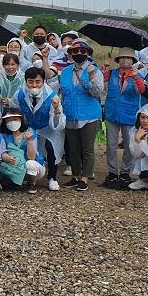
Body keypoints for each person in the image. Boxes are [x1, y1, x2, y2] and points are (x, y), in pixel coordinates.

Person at [59, 39, 103, 192]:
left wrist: (90, 78)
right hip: (70, 114)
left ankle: (85, 178)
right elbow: (62, 92)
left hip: (89, 115)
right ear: (70, 54)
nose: (78, 54)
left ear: (88, 53)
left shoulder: (94, 70)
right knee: (73, 148)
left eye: (82, 51)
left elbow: (97, 92)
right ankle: (76, 176)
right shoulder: (65, 72)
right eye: (75, 51)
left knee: (87, 148)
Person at [11, 67, 65, 191]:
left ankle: (52, 177)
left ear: (43, 81)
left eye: (37, 81)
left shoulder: (51, 95)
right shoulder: (20, 94)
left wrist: (56, 109)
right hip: (29, 127)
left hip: (47, 127)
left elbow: (58, 121)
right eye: (30, 81)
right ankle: (26, 176)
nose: (34, 85)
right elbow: (15, 109)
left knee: (51, 148)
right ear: (25, 81)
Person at [102, 47, 146, 187]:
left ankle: (126, 172)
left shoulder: (137, 75)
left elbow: (141, 90)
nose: (125, 60)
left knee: (129, 145)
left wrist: (136, 78)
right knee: (111, 145)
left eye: (128, 58)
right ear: (118, 60)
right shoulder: (112, 73)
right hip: (112, 113)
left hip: (129, 114)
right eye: (122, 58)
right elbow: (99, 79)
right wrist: (105, 66)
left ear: (132, 60)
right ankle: (112, 172)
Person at [0, 109, 44, 193]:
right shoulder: (3, 135)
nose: (12, 122)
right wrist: (7, 158)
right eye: (9, 120)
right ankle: (16, 182)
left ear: (21, 120)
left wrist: (29, 141)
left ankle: (31, 183)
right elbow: (1, 151)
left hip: (33, 167)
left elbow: (32, 157)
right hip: (13, 165)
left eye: (15, 119)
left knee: (30, 164)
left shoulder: (30, 132)